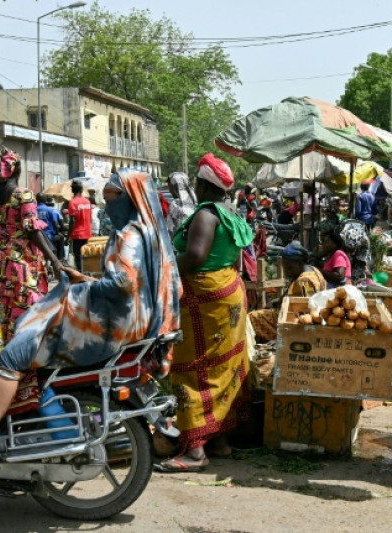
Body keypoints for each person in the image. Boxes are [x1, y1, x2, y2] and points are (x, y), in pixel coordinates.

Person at [0, 170, 180, 492]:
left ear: (128, 198)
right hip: (129, 321)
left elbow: (122, 283)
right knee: (33, 322)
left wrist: (82, 289)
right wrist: (85, 283)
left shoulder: (130, 235)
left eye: (112, 198)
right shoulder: (150, 231)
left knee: (14, 354)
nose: (107, 205)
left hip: (111, 326)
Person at [156, 153, 254, 472]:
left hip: (204, 298)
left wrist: (164, 266)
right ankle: (220, 441)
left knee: (192, 368)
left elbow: (195, 256)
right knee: (224, 366)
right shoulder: (231, 212)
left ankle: (195, 451)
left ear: (202, 185)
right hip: (228, 291)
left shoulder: (205, 214)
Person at [0, 149, 66, 344]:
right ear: (16, 170)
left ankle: (11, 347)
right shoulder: (24, 194)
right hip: (21, 258)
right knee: (28, 305)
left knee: (7, 306)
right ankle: (27, 352)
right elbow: (31, 229)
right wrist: (54, 260)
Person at [248, 242, 327, 342]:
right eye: (285, 268)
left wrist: (280, 304)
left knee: (252, 318)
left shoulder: (303, 281)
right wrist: (278, 300)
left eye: (289, 268)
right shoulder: (314, 270)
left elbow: (304, 310)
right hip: (304, 313)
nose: (287, 272)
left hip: (297, 321)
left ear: (299, 263)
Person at [68, 179, 93, 268]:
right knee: (86, 256)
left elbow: (72, 221)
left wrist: (68, 236)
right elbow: (90, 219)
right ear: (82, 190)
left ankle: (80, 276)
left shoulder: (72, 202)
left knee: (78, 257)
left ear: (72, 190)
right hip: (88, 234)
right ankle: (87, 274)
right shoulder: (88, 202)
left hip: (77, 235)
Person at [36, 193, 65, 261]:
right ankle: (60, 259)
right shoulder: (51, 210)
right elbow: (55, 224)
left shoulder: (33, 210)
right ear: (45, 200)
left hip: (37, 237)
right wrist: (58, 232)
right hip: (49, 236)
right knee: (61, 237)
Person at [166, 171, 197, 236]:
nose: (169, 189)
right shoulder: (195, 201)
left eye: (169, 185)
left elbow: (170, 230)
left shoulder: (175, 204)